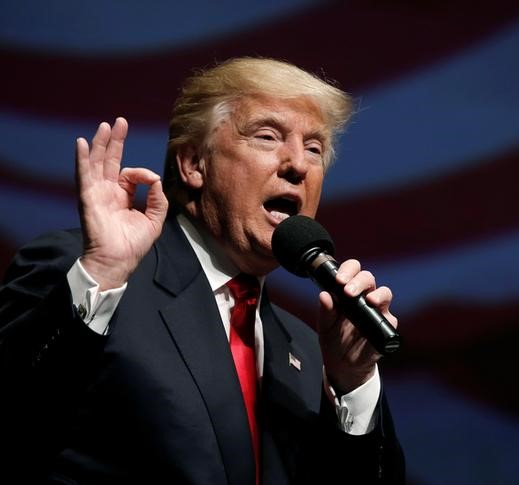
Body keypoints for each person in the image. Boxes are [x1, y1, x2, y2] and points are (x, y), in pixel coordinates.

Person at [0, 57, 404, 484]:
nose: (297, 165)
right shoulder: (92, 277)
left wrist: (352, 383)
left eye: (314, 148)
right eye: (268, 137)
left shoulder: (307, 352)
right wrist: (102, 271)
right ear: (194, 163)